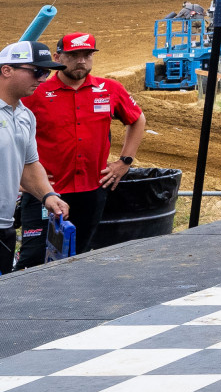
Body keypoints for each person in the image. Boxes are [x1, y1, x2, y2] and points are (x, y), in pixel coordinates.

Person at [21, 32, 145, 268]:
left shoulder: (109, 89)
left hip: (91, 190)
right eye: (73, 55)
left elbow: (138, 120)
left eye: (87, 55)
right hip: (44, 191)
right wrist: (18, 174)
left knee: (80, 255)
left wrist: (125, 162)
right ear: (57, 57)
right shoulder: (36, 92)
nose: (81, 61)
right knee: (34, 258)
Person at [0, 43, 72, 273]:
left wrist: (47, 195)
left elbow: (29, 165)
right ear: (6, 70)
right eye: (37, 71)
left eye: (47, 72)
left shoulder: (25, 115)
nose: (42, 79)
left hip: (5, 227)